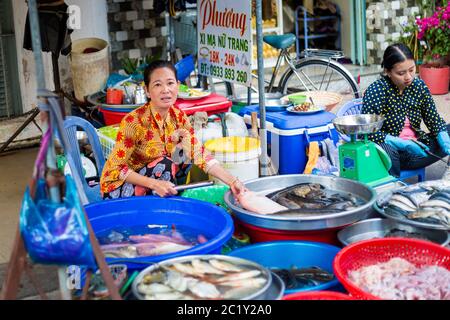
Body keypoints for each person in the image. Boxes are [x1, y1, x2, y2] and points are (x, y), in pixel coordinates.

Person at [100, 60, 247, 199]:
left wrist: (232, 181)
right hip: (119, 187)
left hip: (154, 176)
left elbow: (198, 153)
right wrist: (155, 184)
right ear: (147, 90)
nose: (165, 90)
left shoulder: (179, 117)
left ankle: (167, 194)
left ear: (177, 85)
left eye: (170, 83)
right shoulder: (134, 122)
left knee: (185, 154)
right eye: (157, 85)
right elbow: (116, 169)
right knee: (165, 164)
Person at [362, 43, 450, 177]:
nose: (408, 77)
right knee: (386, 150)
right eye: (401, 73)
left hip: (420, 149)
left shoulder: (418, 86)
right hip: (395, 154)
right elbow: (366, 132)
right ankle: (393, 189)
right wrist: (400, 143)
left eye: (412, 69)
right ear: (387, 71)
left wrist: (442, 134)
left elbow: (433, 120)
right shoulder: (377, 90)